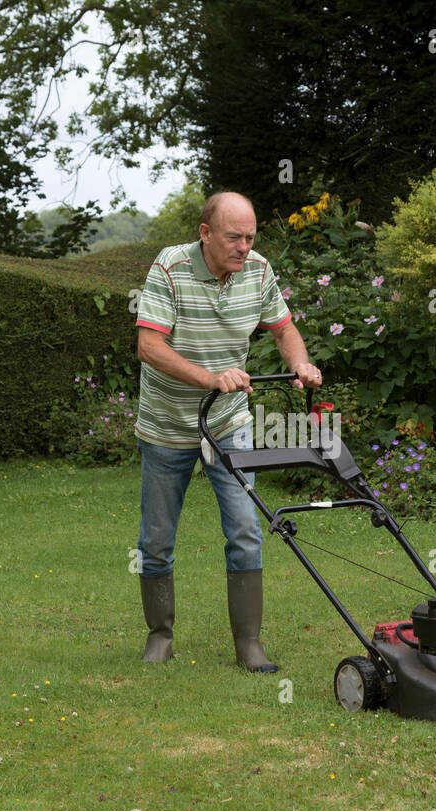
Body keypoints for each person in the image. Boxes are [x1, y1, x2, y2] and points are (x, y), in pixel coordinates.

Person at [134, 191, 322, 673]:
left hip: (228, 424)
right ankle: (160, 634)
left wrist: (299, 362)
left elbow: (283, 330)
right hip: (167, 425)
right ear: (205, 234)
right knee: (156, 538)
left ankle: (249, 644)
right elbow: (149, 346)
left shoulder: (258, 271)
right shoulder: (170, 268)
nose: (244, 247)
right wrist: (210, 378)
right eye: (234, 237)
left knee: (245, 529)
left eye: (250, 237)